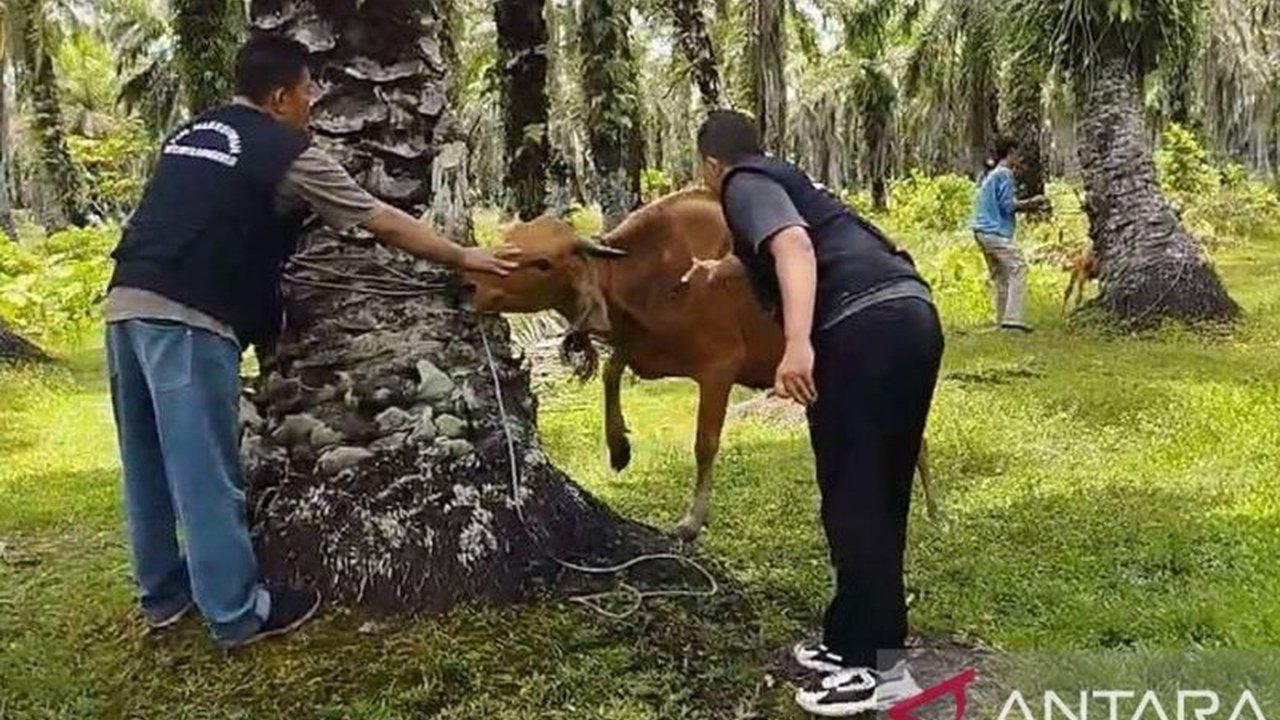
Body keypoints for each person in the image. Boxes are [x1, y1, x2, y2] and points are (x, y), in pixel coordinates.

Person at [102, 35, 517, 649]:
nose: (313, 105)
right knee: (205, 472)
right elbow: (379, 218)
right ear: (278, 97)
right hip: (188, 318)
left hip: (124, 304)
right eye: (307, 93)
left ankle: (163, 596)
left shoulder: (190, 133)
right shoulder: (289, 153)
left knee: (145, 464)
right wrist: (462, 254)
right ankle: (237, 614)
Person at [682, 110, 944, 716]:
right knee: (880, 493)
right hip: (907, 314)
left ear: (710, 165)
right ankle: (854, 639)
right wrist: (715, 269)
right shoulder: (786, 176)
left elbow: (794, 247)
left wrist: (796, 344)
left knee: (853, 495)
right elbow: (794, 244)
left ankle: (872, 671)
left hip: (860, 327)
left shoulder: (740, 185)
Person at [970, 137, 1047, 332]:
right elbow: (1007, 205)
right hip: (993, 231)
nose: (1019, 158)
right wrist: (1032, 202)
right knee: (1018, 266)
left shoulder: (992, 174)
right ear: (1011, 152)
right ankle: (1013, 319)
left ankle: (1002, 322)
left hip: (981, 230)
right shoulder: (1004, 174)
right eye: (1017, 153)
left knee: (1001, 277)